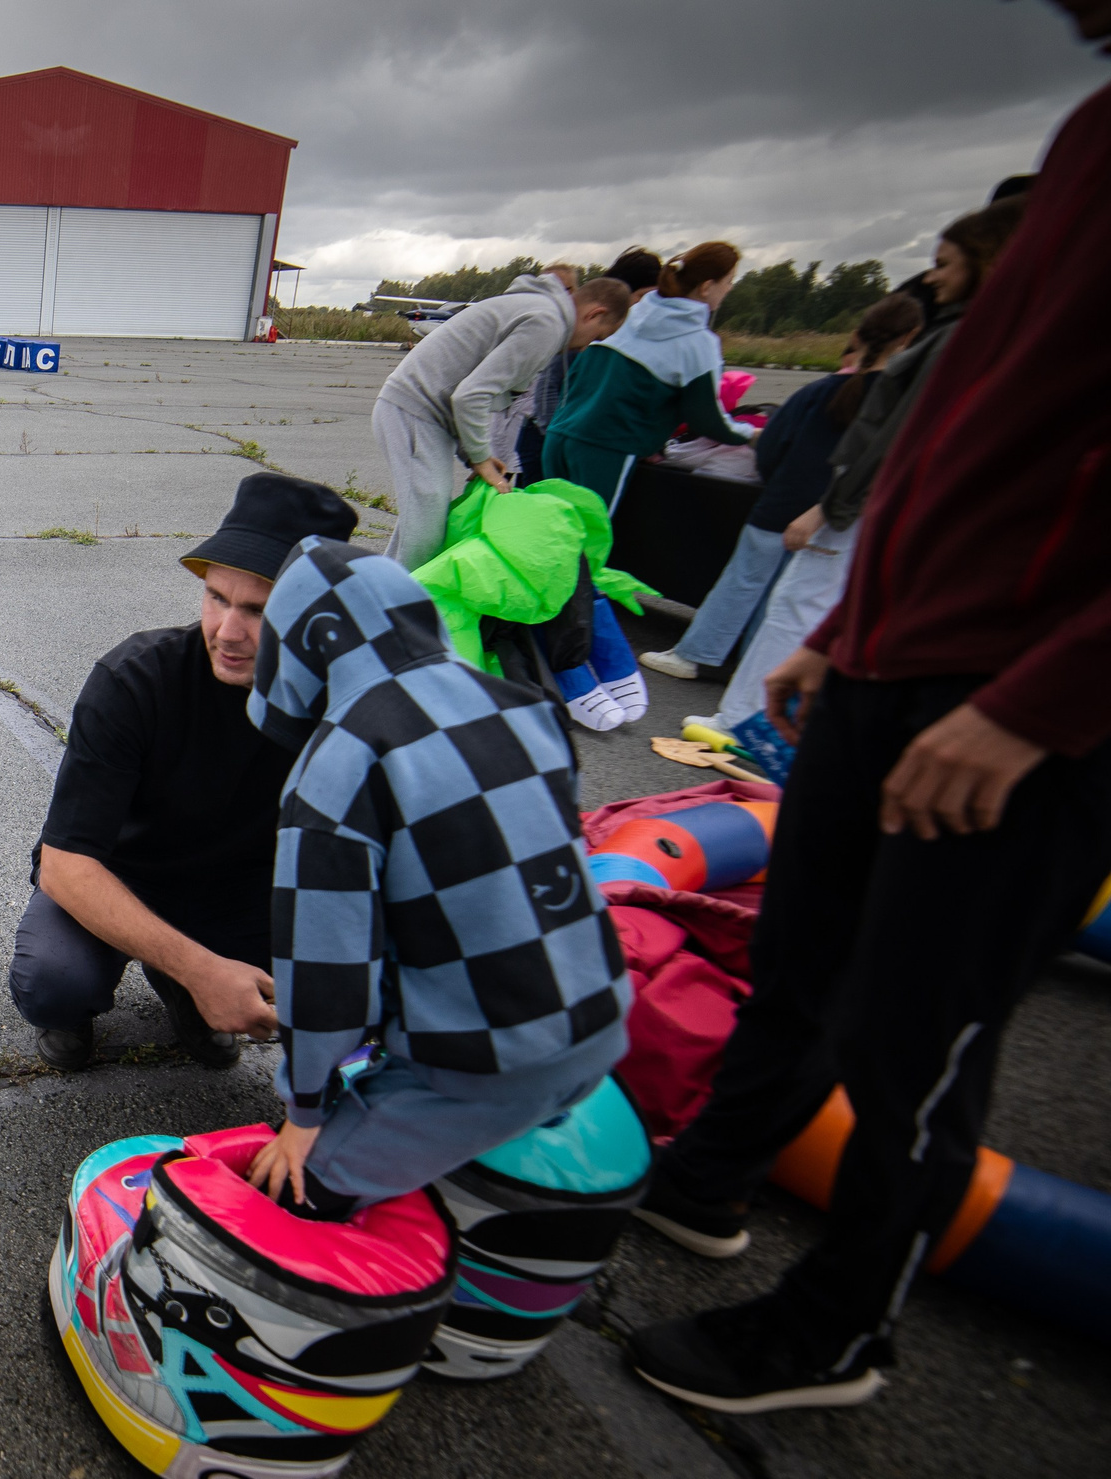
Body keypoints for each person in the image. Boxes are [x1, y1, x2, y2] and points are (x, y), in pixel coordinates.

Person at [625, 23, 1111, 1412]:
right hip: (890, 668)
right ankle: (708, 1177)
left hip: (1018, 709)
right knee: (801, 957)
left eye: (957, 271)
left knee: (920, 1040)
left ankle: (839, 1328)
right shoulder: (1085, 141)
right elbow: (962, 468)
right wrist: (847, 634)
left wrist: (1042, 702)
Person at [243, 537, 629, 1221]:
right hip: (602, 1021)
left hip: (487, 1064)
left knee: (293, 1193)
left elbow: (327, 969)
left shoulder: (341, 764)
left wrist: (305, 1109)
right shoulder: (519, 702)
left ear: (302, 648)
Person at [16, 473, 362, 1071]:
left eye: (260, 610)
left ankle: (183, 987)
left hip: (247, 891)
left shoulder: (350, 703)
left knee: (341, 983)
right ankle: (162, 978)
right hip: (124, 875)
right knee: (55, 982)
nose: (228, 632)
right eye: (217, 598)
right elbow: (65, 865)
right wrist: (202, 969)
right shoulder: (136, 681)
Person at [700, 202, 1020, 737]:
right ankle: (756, 722)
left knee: (798, 609)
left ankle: (744, 725)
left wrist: (829, 506)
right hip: (879, 509)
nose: (934, 276)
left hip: (855, 509)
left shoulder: (956, 342)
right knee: (807, 609)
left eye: (945, 263)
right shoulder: (982, 335)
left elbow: (892, 439)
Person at [640, 293, 926, 685]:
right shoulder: (899, 402)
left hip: (783, 501)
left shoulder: (820, 392)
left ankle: (698, 653)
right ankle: (756, 667)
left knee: (744, 579)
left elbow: (772, 443)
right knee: (787, 597)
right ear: (909, 338)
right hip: (834, 515)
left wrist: (777, 477)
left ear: (857, 336)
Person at [374, 266, 633, 569]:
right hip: (415, 412)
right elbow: (471, 395)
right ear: (594, 314)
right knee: (424, 538)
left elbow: (465, 389)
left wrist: (475, 455)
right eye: (598, 335)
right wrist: (482, 458)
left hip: (421, 414)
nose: (586, 346)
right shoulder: (547, 323)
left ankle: (374, 598)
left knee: (418, 529)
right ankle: (394, 608)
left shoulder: (537, 309)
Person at [543, 243, 754, 512]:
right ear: (706, 287)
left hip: (560, 435)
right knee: (588, 538)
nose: (730, 289)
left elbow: (577, 377)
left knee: (548, 530)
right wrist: (750, 433)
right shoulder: (697, 342)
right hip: (606, 449)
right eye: (729, 281)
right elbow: (706, 419)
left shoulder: (632, 316)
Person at [512, 249, 666, 483]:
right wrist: (555, 434)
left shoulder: (623, 334)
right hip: (546, 436)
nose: (651, 305)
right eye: (645, 296)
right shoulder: (584, 330)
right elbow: (547, 387)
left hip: (566, 437)